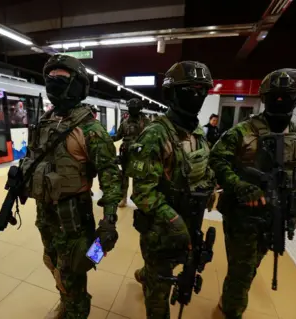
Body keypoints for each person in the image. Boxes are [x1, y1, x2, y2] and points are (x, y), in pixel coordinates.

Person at [209, 68, 296, 319]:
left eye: (288, 96)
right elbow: (217, 160)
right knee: (241, 271)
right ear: (264, 97)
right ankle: (229, 311)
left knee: (250, 267)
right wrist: (239, 185)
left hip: (277, 215)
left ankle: (229, 302)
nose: (280, 102)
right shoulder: (242, 131)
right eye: (275, 96)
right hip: (243, 216)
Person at [20, 54, 122, 318]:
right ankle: (68, 298)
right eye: (49, 77)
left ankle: (76, 308)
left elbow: (111, 174)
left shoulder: (90, 130)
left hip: (74, 216)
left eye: (61, 77)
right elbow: (32, 158)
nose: (53, 82)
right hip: (46, 213)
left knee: (77, 266)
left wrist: (109, 220)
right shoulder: (44, 122)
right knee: (51, 261)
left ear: (78, 84)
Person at [126, 61, 217, 318]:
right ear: (173, 92)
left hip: (190, 222)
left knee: (183, 265)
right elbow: (143, 193)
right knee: (158, 300)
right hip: (161, 231)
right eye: (190, 88)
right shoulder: (155, 134)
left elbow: (206, 171)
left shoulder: (198, 134)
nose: (197, 95)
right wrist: (174, 220)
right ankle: (151, 277)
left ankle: (148, 275)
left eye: (202, 90)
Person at [113, 98, 150, 207]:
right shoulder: (125, 122)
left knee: (138, 177)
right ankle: (123, 198)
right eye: (130, 108)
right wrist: (105, 138)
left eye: (134, 108)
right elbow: (117, 136)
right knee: (124, 176)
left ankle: (137, 199)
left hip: (139, 154)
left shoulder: (146, 122)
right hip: (126, 153)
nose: (131, 110)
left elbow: (150, 137)